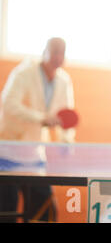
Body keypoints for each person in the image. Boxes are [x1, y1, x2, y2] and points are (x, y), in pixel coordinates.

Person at [0, 37, 76, 222]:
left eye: (62, 52)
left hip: (34, 154)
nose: (58, 56)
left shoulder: (64, 81)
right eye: (55, 51)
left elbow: (66, 115)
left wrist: (66, 141)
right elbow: (8, 104)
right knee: (6, 211)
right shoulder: (23, 73)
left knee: (44, 212)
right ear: (45, 52)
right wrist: (42, 118)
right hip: (6, 153)